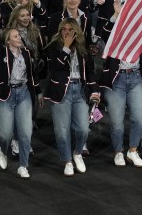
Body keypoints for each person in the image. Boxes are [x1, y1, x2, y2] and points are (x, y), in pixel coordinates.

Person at [45, 18, 100, 177]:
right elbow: (55, 67)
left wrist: (95, 91)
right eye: (64, 29)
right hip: (61, 91)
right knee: (62, 131)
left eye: (70, 29)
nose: (67, 32)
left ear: (76, 31)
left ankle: (77, 152)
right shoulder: (54, 47)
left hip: (81, 91)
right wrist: (66, 48)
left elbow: (90, 72)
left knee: (83, 128)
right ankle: (67, 161)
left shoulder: (83, 49)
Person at [0, 26, 41, 179]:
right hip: (5, 95)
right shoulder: (2, 52)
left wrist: (39, 91)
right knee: (5, 134)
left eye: (19, 36)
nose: (19, 38)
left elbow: (32, 74)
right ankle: (3, 149)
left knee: (25, 132)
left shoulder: (27, 53)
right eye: (15, 36)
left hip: (23, 93)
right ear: (8, 41)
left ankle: (23, 166)